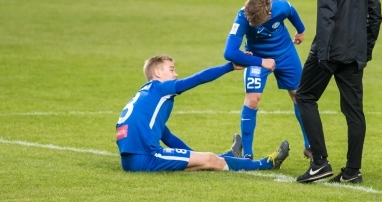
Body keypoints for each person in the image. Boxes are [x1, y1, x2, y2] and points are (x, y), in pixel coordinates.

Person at [295, 0, 382, 184]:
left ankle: (319, 162)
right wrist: (365, 49)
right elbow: (375, 14)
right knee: (354, 112)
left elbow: (327, 13)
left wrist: (323, 51)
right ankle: (353, 171)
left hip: (330, 50)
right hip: (354, 52)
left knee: (305, 97)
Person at [115, 54, 290, 172]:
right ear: (158, 73)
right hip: (147, 156)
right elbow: (197, 79)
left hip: (131, 160)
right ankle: (265, 163)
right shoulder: (160, 88)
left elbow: (167, 137)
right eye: (171, 69)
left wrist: (194, 156)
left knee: (205, 160)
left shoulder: (145, 95)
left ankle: (229, 156)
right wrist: (230, 66)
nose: (176, 74)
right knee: (210, 160)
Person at [223, 0, 312, 161]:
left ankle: (310, 146)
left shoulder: (281, 6)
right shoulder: (243, 16)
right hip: (258, 58)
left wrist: (300, 30)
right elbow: (229, 52)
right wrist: (260, 61)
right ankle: (247, 154)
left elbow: (291, 11)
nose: (250, 23)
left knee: (299, 96)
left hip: (286, 54)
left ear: (269, 14)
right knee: (253, 99)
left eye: (253, 21)